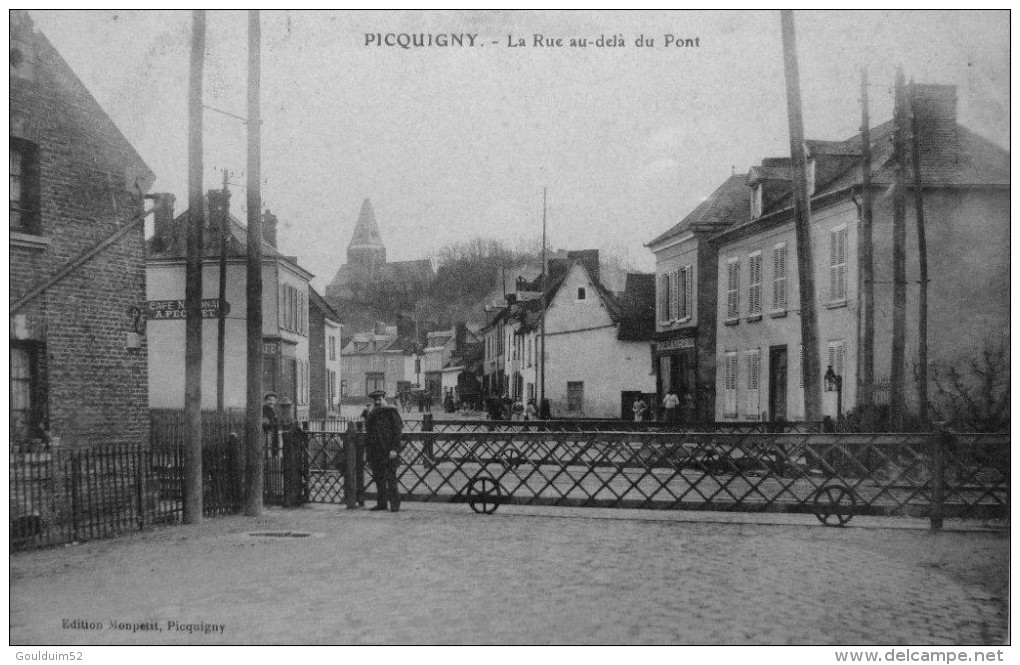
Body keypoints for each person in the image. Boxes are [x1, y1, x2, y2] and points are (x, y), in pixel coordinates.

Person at [364, 389, 403, 512]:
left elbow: (397, 432)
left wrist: (395, 449)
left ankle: (394, 505)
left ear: (384, 400)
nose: (377, 402)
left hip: (389, 451)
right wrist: (368, 414)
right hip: (376, 452)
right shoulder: (373, 413)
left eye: (379, 400)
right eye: (375, 400)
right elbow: (369, 431)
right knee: (378, 478)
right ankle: (382, 504)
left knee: (391, 478)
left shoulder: (391, 412)